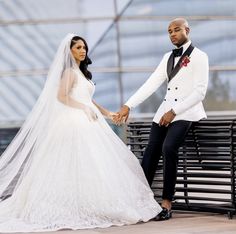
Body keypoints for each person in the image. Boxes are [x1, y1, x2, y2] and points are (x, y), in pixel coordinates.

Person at [0, 34, 162, 232]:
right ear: (69, 51)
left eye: (84, 47)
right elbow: (61, 96)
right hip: (72, 122)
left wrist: (106, 112)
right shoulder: (68, 71)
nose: (82, 50)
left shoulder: (82, 73)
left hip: (87, 120)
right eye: (78, 47)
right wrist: (82, 109)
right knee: (74, 162)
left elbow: (87, 99)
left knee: (94, 162)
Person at [115, 18, 209, 221]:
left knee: (168, 148)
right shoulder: (167, 57)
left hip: (186, 111)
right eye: (169, 31)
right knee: (151, 150)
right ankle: (139, 200)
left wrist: (174, 111)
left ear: (187, 30)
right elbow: (151, 84)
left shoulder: (200, 56)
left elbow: (200, 92)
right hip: (164, 110)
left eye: (176, 30)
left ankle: (167, 203)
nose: (172, 34)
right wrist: (128, 105)